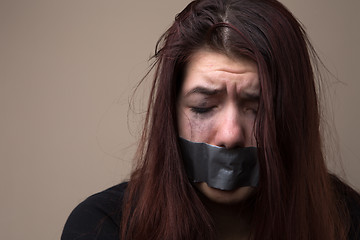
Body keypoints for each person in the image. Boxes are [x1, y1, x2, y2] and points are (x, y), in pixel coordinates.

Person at [61, 0, 360, 239]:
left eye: (258, 109)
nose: (230, 135)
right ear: (171, 114)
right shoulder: (100, 227)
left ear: (293, 116)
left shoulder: (349, 221)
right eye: (203, 107)